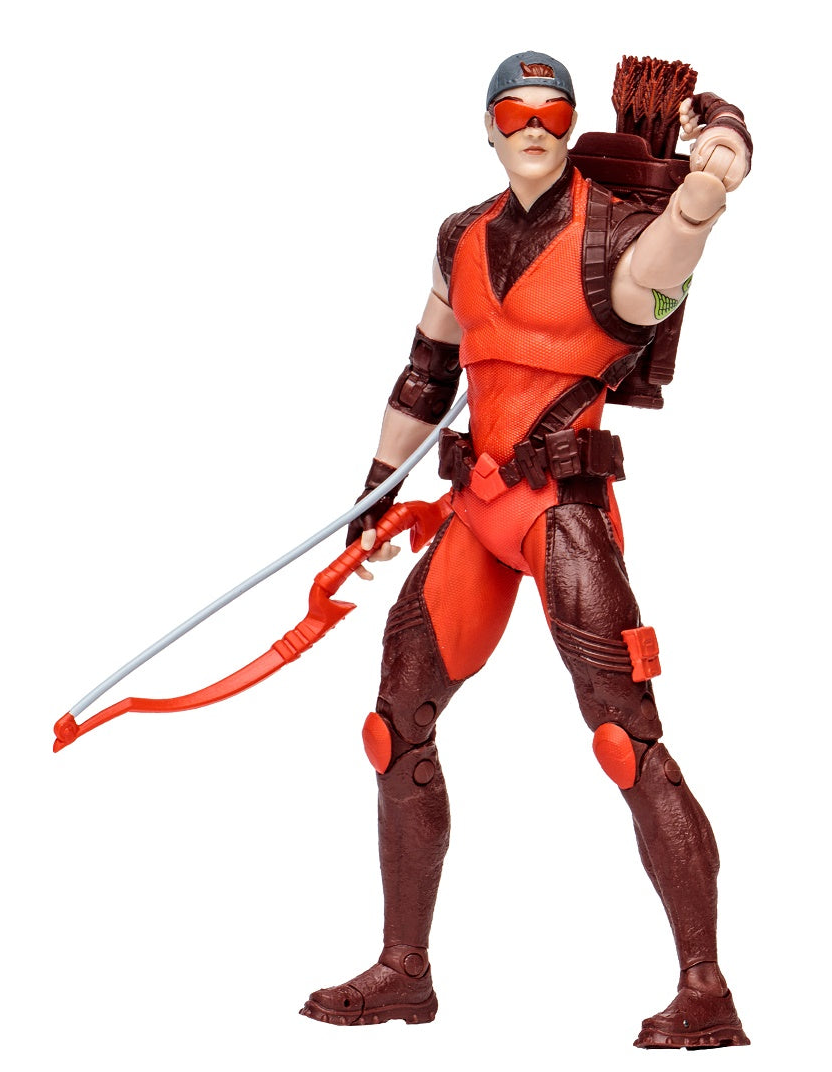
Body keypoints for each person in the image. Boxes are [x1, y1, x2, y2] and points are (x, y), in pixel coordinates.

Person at [299, 52, 751, 1049]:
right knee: (393, 727)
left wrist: (708, 182)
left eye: (550, 112)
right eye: (514, 113)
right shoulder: (460, 236)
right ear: (489, 127)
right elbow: (426, 370)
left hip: (562, 513)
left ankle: (706, 988)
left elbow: (664, 263)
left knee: (627, 739)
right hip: (474, 511)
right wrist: (374, 494)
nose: (533, 127)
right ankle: (405, 970)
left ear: (571, 123)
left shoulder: (614, 231)